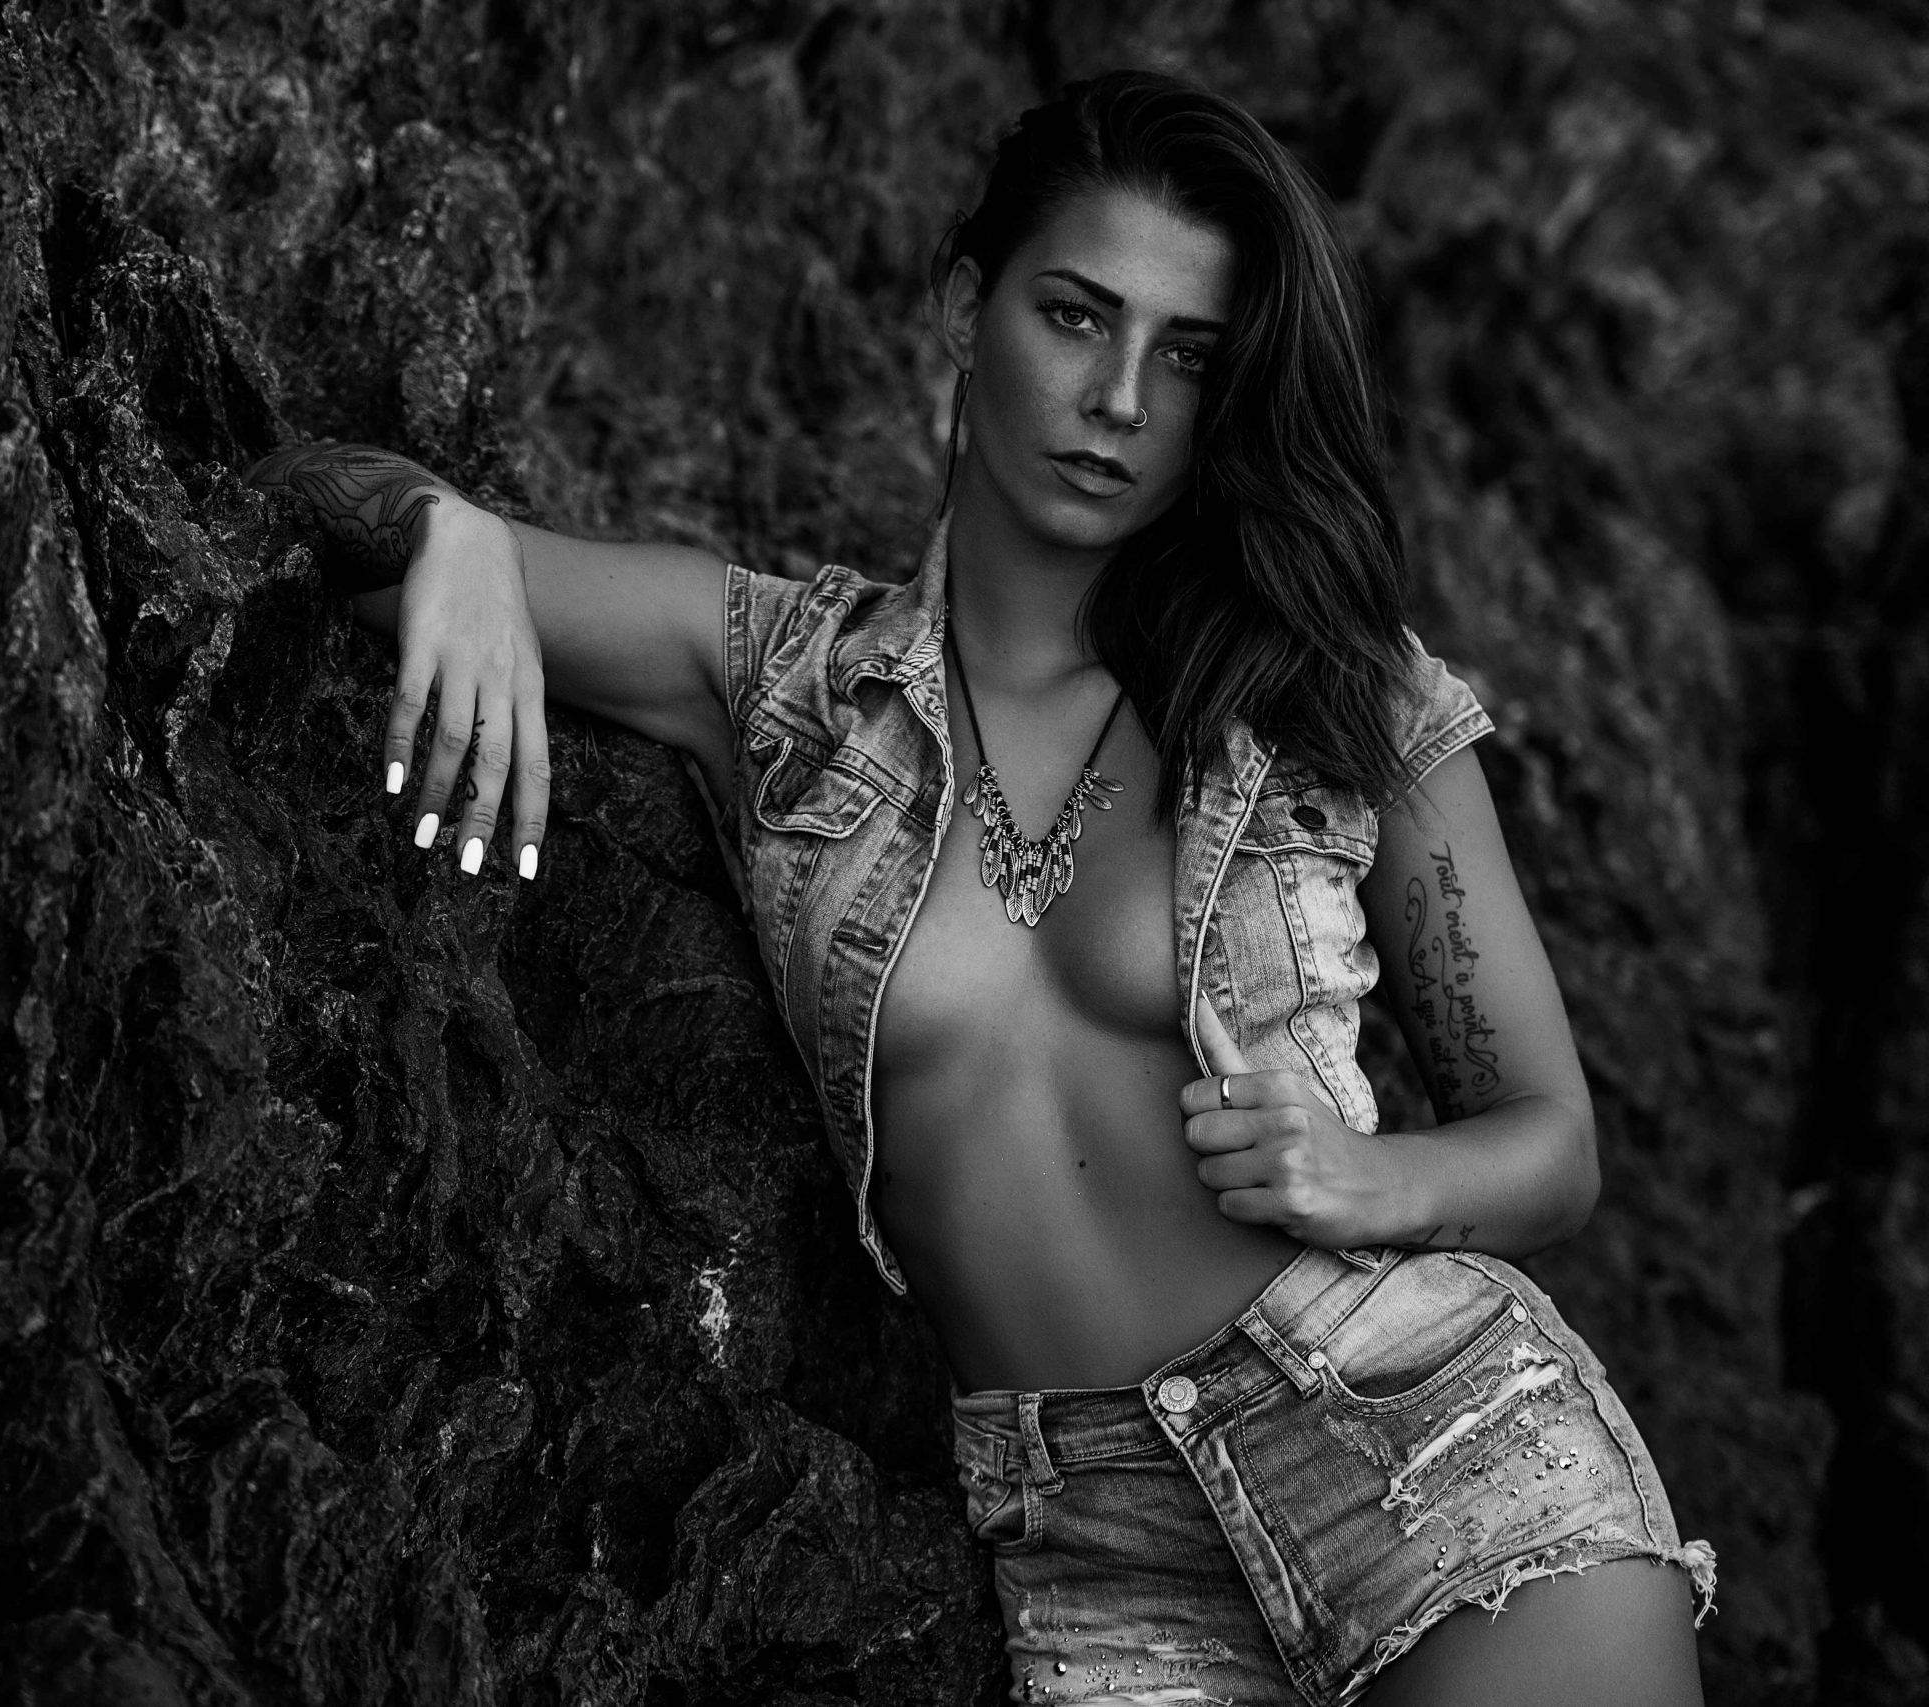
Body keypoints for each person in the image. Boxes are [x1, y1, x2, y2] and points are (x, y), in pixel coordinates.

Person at [250, 68, 1716, 1707]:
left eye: (1189, 355)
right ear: (966, 310)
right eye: (1075, 317)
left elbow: (1552, 1144)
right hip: (1091, 1545)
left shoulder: (1334, 697)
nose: (1121, 399)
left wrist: (1371, 1178)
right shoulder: (789, 684)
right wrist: (453, 532)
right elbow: (295, 493)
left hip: (1427, 1446)